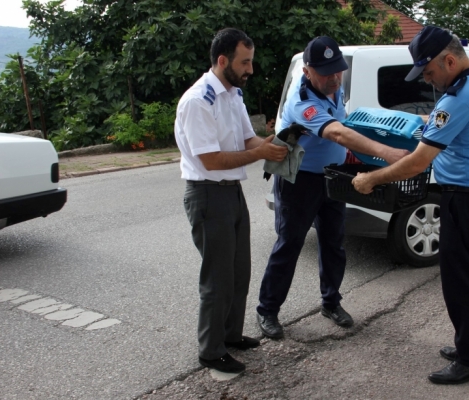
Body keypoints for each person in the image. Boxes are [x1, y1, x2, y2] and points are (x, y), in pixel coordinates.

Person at [352, 26, 469, 385]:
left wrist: (371, 179)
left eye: (429, 72)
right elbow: (466, 124)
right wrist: (432, 123)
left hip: (468, 202)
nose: (428, 80)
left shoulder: (458, 100)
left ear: (450, 61)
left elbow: (418, 162)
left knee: (462, 283)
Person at [256, 36, 409, 339]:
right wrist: (386, 153)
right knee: (289, 245)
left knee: (333, 242)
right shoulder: (302, 101)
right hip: (298, 181)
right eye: (326, 72)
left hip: (331, 177)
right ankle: (267, 310)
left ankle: (331, 302)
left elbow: (346, 123)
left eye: (338, 70)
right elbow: (337, 132)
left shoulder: (333, 91)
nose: (335, 77)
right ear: (307, 71)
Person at [175, 28, 288, 374]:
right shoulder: (197, 101)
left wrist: (276, 142)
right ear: (223, 60)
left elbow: (247, 139)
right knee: (218, 278)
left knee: (239, 271)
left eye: (250, 61)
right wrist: (260, 154)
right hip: (208, 194)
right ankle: (210, 351)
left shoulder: (232, 93)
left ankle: (231, 335)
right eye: (245, 62)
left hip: (231, 193)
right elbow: (211, 160)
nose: (250, 69)